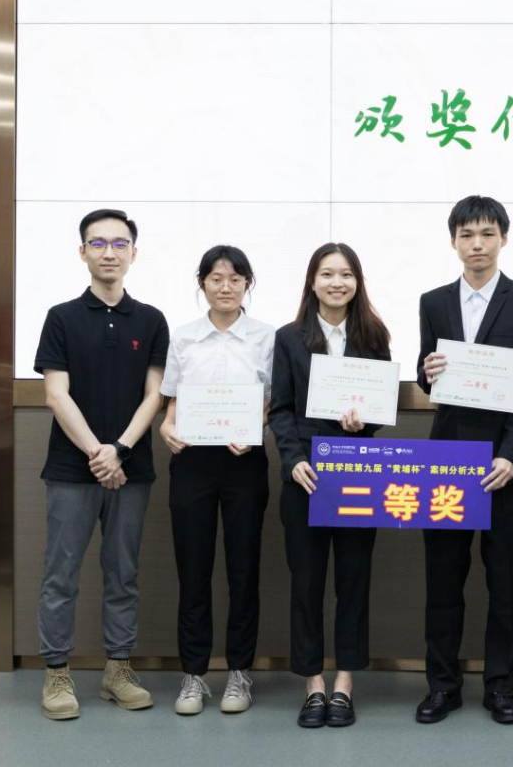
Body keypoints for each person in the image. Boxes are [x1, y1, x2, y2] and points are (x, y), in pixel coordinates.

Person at [414, 195, 513, 725]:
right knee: (442, 584)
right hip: (448, 461)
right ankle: (442, 686)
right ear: (453, 241)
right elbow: (431, 379)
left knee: (506, 587)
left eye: (487, 234)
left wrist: (511, 455)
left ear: (503, 239)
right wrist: (427, 371)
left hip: (509, 467)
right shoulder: (433, 301)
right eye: (467, 235)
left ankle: (500, 688)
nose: (477, 244)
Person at [33, 208, 168, 721]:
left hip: (130, 470)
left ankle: (117, 670)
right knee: (61, 574)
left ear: (134, 252)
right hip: (72, 471)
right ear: (82, 252)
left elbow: (155, 395)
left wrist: (121, 451)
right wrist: (99, 452)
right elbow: (55, 394)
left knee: (123, 573)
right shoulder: (61, 317)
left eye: (119, 243)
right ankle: (56, 673)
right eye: (98, 243)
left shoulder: (151, 320)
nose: (109, 252)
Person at [268, 243, 393, 728]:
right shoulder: (289, 337)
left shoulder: (374, 335)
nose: (337, 283)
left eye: (346, 274)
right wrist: (293, 460)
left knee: (354, 581)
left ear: (357, 282)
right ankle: (313, 684)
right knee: (306, 582)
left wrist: (366, 422)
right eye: (327, 274)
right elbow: (280, 409)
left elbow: (381, 410)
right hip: (306, 476)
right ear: (312, 281)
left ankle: (344, 683)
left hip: (357, 475)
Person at [158, 245, 275, 716]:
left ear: (247, 284)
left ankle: (240, 673)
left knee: (244, 571)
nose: (225, 287)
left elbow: (272, 400)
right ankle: (193, 675)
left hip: (244, 461)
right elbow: (172, 401)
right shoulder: (184, 336)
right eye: (215, 279)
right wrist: (167, 428)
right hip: (192, 462)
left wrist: (255, 427)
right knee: (193, 572)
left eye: (235, 279)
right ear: (202, 283)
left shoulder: (267, 337)